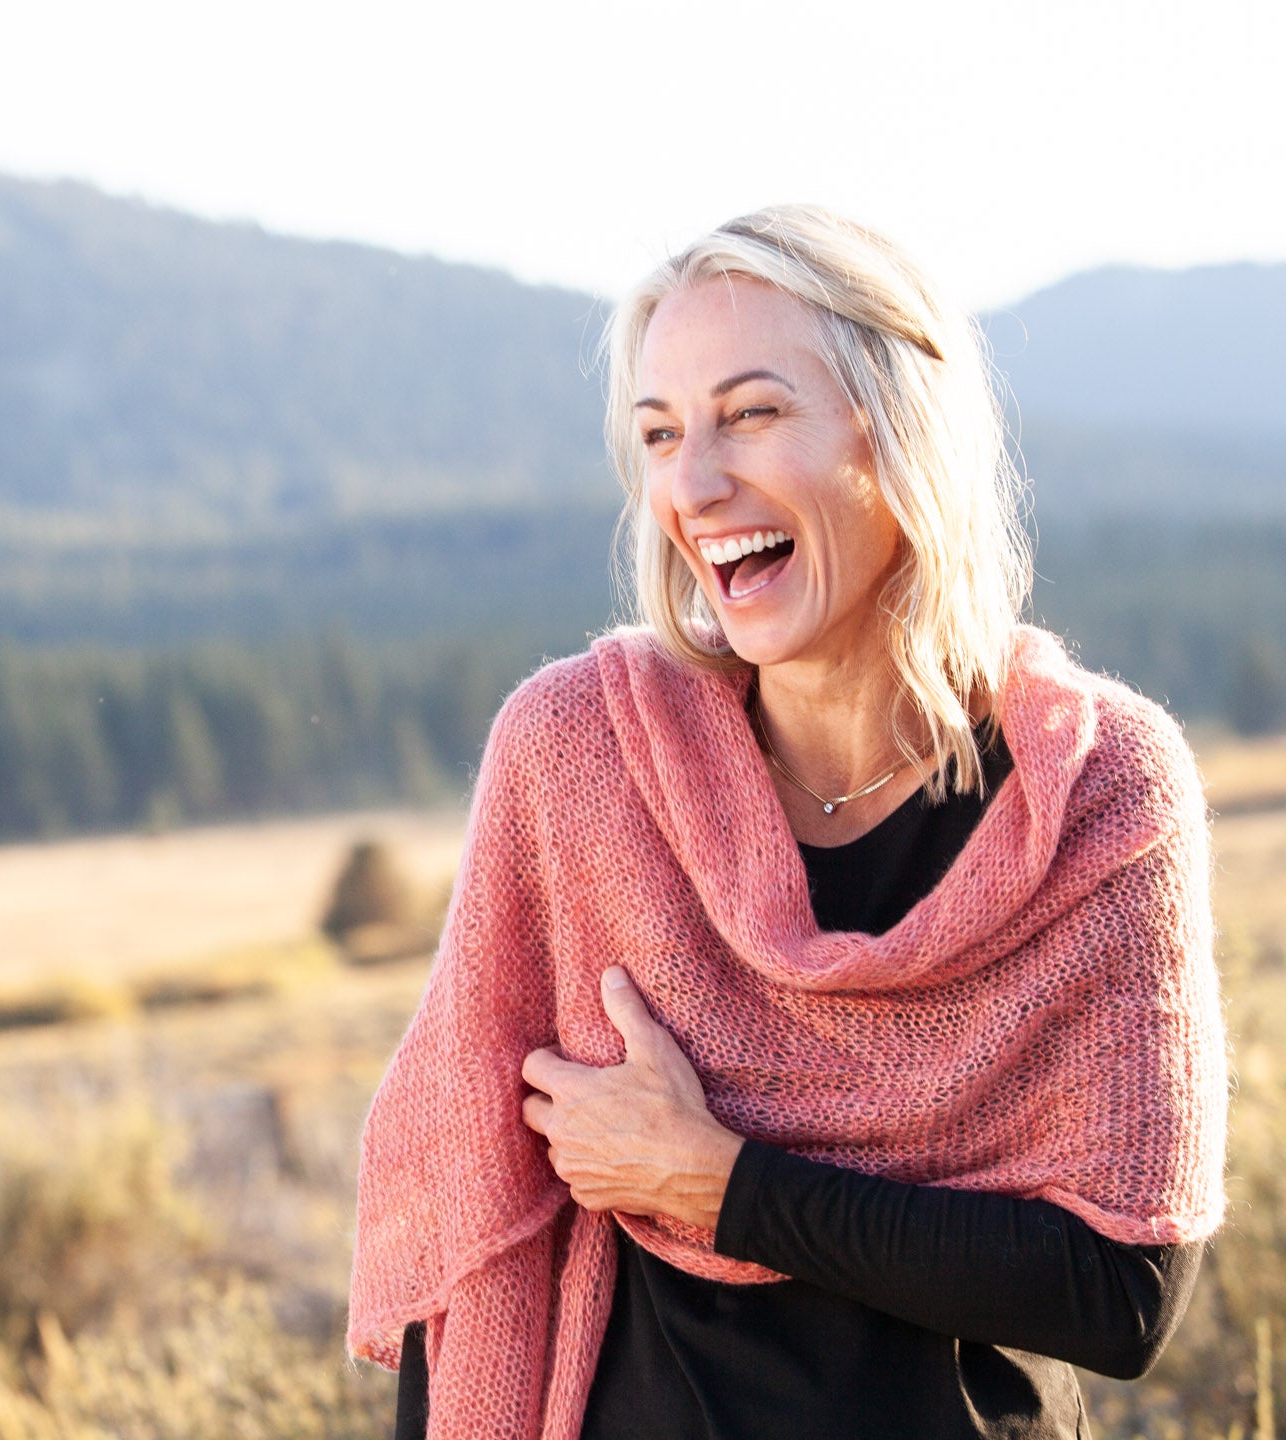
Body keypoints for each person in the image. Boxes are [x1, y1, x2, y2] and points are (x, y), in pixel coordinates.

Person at [348, 205, 1228, 1440]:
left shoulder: (1093, 789)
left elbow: (1121, 1294)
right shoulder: (580, 756)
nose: (695, 484)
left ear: (895, 436)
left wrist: (723, 1186)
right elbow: (472, 1206)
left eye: (752, 414)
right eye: (660, 434)